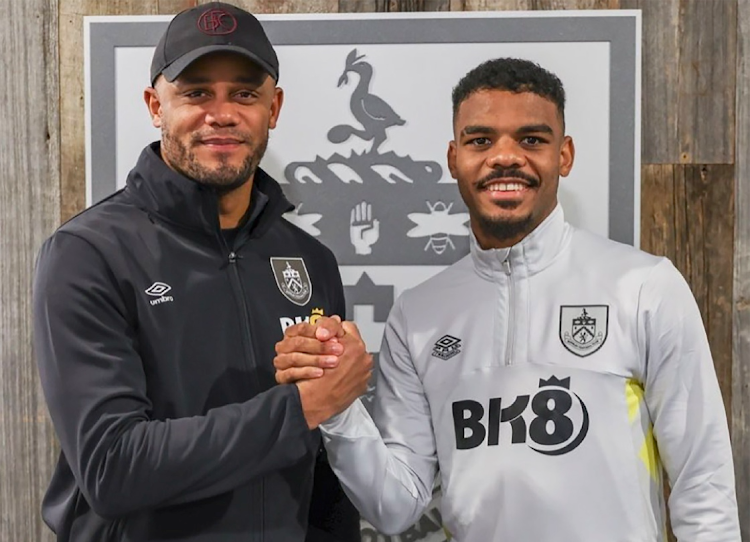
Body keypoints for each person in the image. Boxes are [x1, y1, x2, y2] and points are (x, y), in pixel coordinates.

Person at [274, 58, 741, 541]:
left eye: (532, 140)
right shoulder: (418, 316)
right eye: (480, 141)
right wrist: (337, 401)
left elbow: (702, 481)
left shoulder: (643, 285)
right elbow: (394, 506)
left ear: (565, 155)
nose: (505, 157)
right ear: (454, 158)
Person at [32, 3, 370, 541]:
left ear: (273, 107)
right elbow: (111, 467)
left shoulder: (310, 261)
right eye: (195, 93)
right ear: (154, 104)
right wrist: (300, 408)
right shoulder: (88, 253)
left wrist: (323, 402)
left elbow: (322, 471)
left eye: (244, 93)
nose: (222, 113)